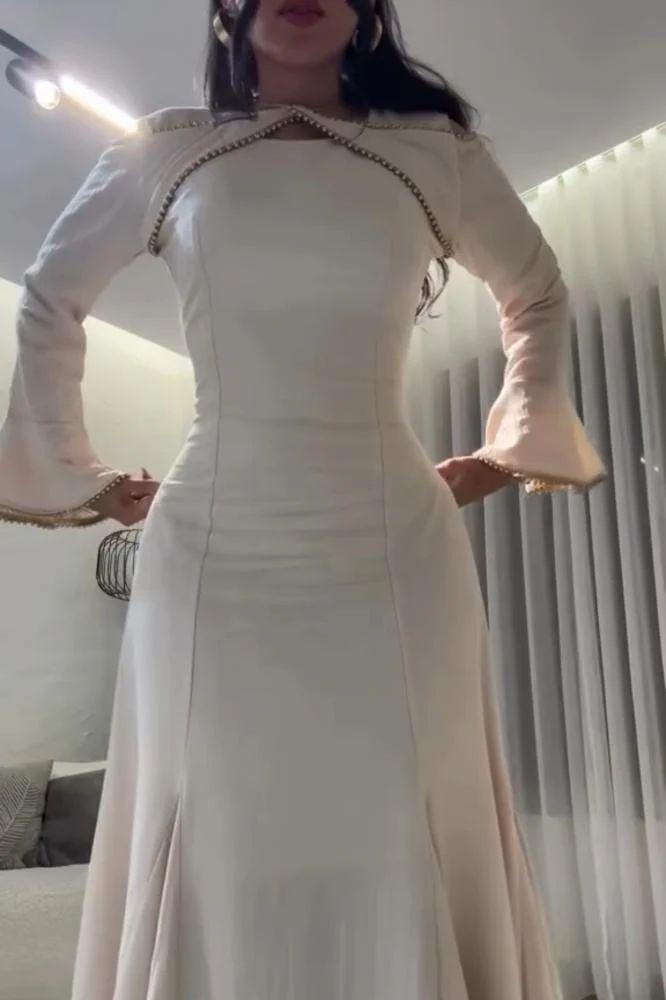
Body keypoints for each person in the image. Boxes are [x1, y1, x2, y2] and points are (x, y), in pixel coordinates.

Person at [0, 0, 607, 997]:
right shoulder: (165, 152)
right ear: (226, 12)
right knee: (214, 816)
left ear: (366, 14)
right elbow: (50, 294)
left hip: (392, 547)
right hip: (213, 553)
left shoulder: (433, 153)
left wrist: (507, 453)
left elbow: (536, 291)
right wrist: (80, 473)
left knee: (401, 808)